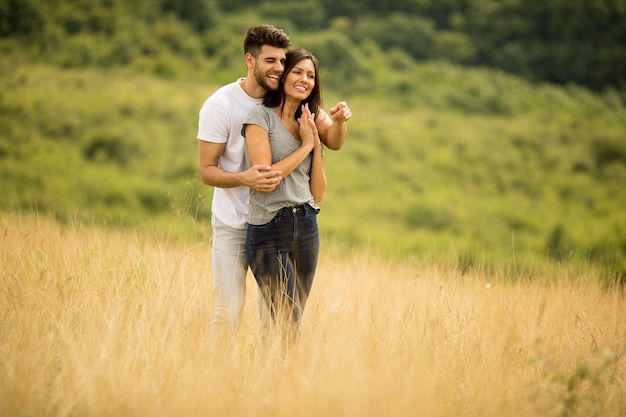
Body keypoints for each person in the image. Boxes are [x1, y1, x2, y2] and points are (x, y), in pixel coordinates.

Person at [197, 26, 351, 344]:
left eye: (282, 61)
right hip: (234, 222)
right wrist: (244, 178)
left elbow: (331, 142)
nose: (279, 68)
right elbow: (206, 171)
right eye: (271, 61)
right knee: (229, 312)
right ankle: (208, 383)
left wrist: (337, 121)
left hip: (280, 222)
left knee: (278, 315)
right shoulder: (222, 104)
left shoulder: (289, 99)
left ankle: (268, 385)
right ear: (250, 60)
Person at [243, 48, 336, 345]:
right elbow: (267, 178)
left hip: (307, 223)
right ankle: (282, 383)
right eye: (297, 72)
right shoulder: (260, 118)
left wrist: (315, 143)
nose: (304, 80)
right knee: (288, 315)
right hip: (269, 226)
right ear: (283, 75)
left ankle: (274, 380)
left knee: (291, 316)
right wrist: (305, 147)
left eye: (310, 76)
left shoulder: (309, 122)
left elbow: (318, 192)